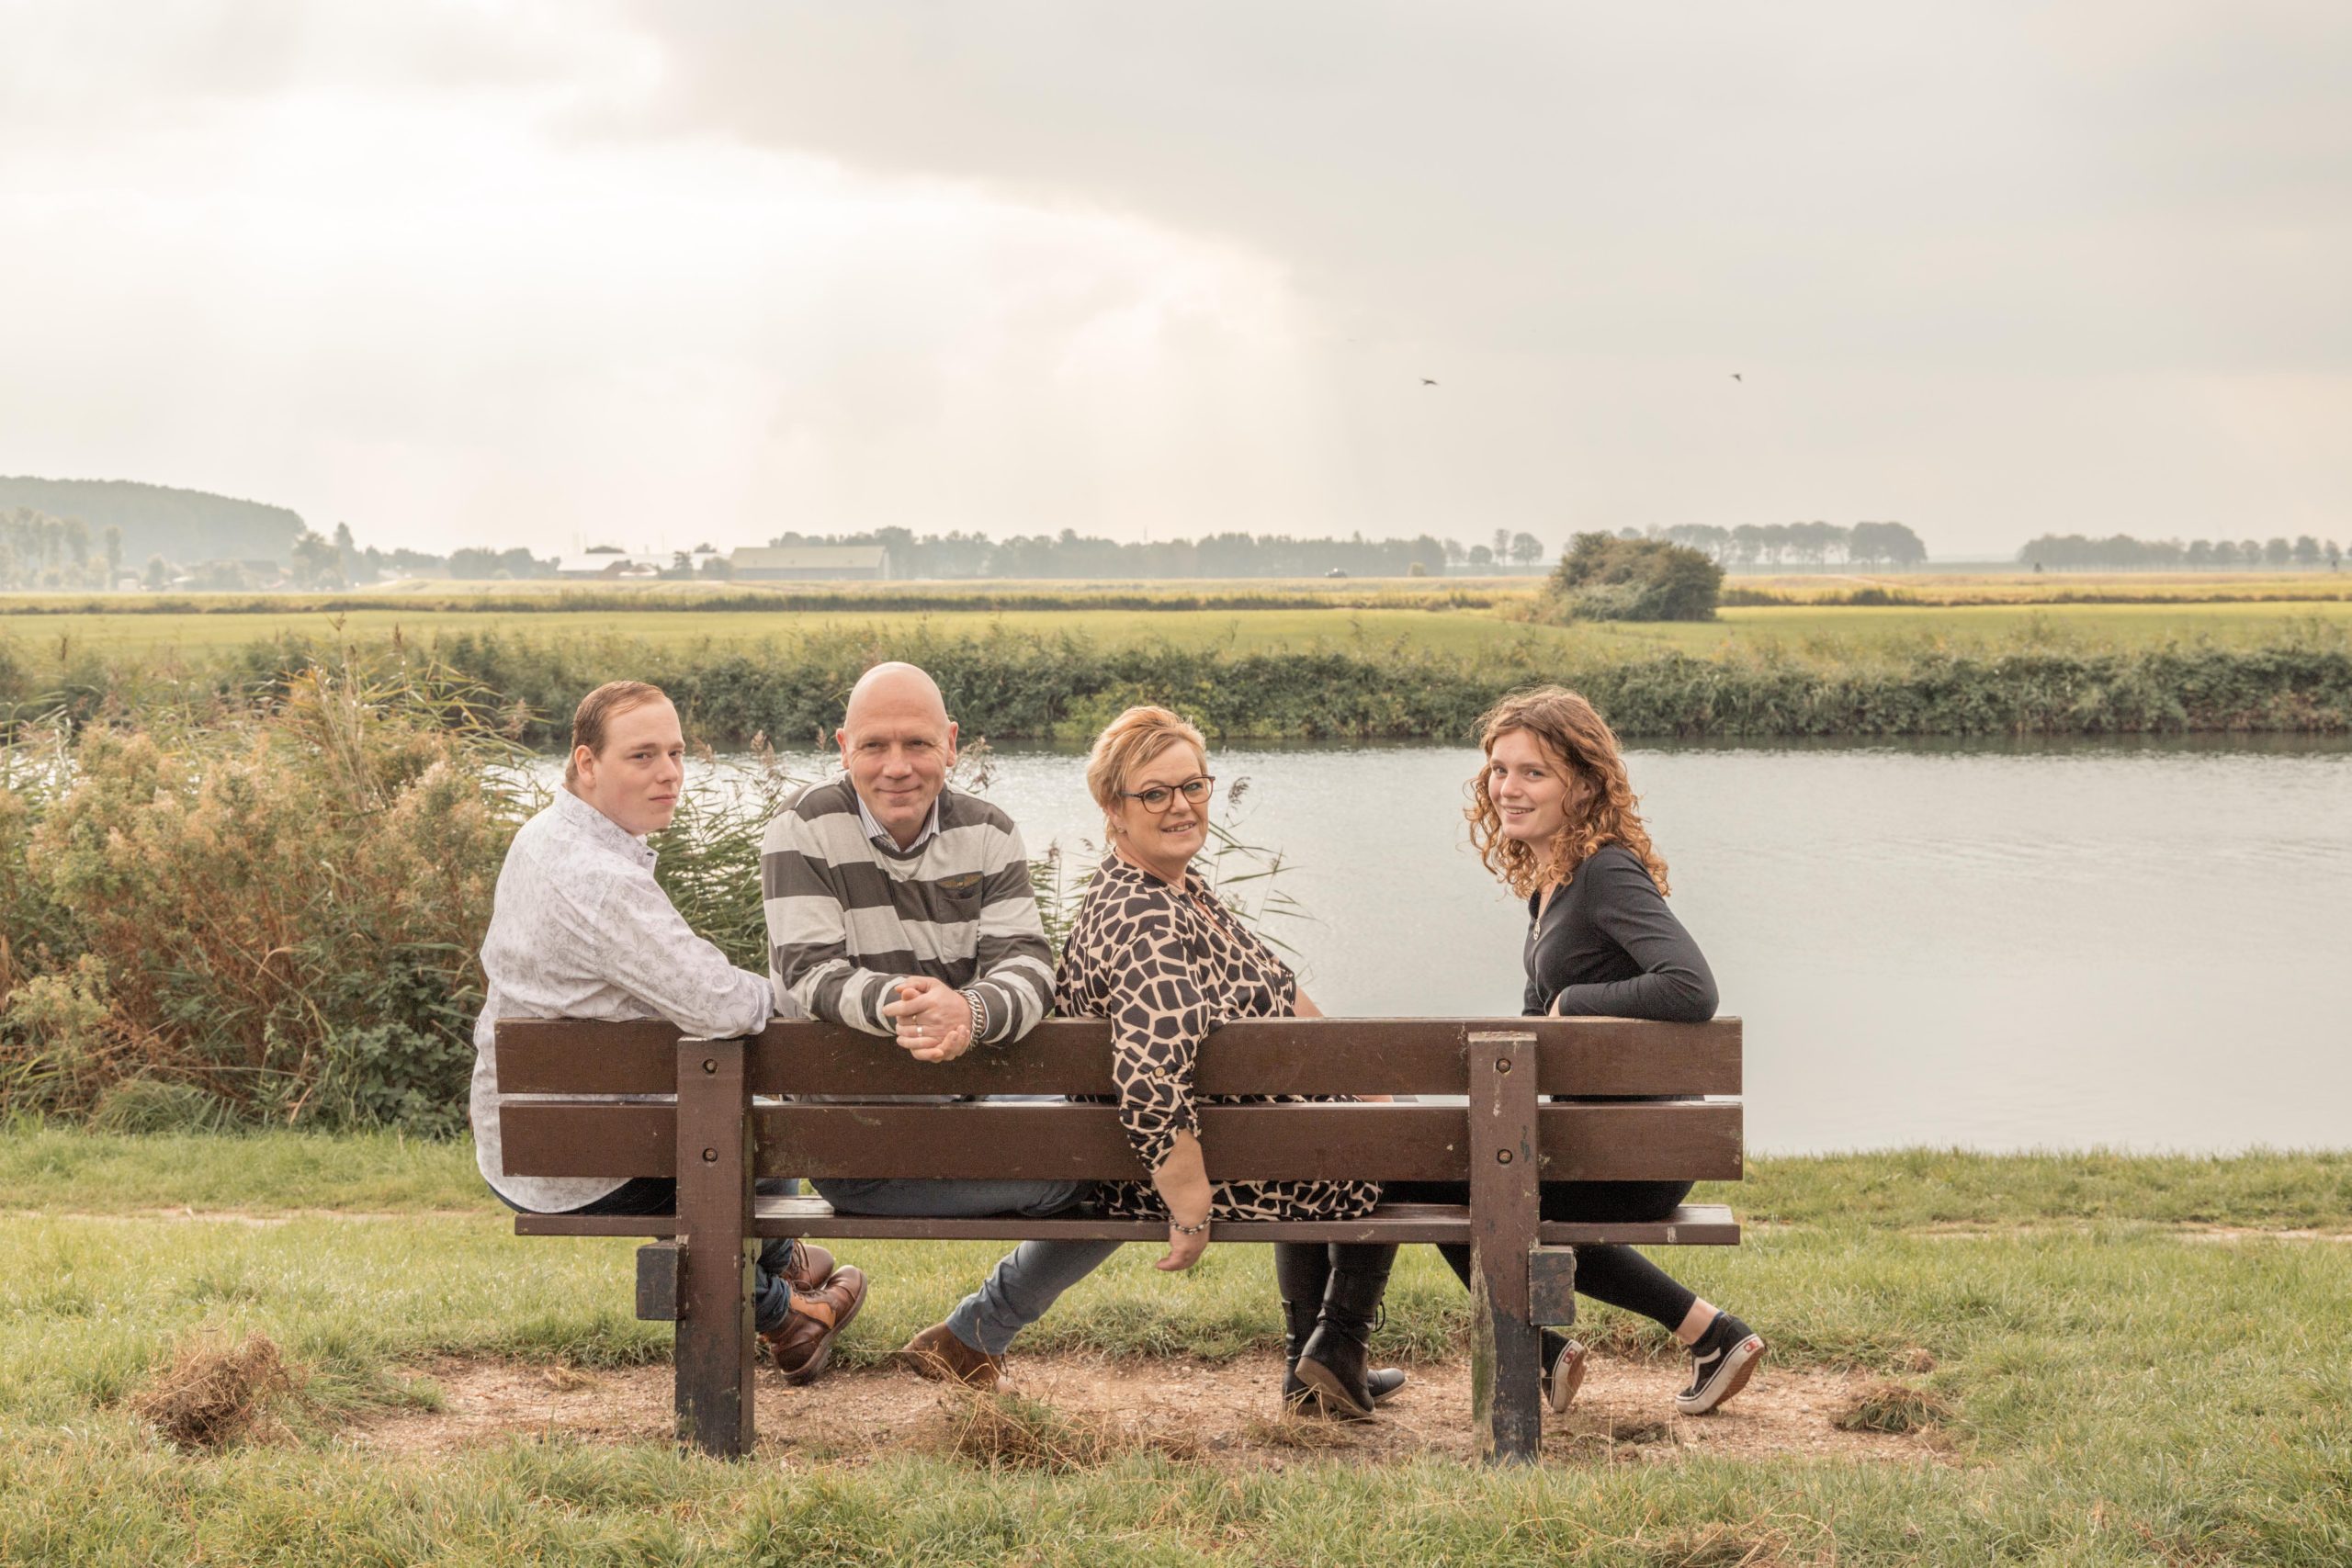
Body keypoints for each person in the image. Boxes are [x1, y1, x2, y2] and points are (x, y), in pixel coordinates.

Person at [470, 680, 866, 1385]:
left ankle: (783, 1266)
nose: (670, 773)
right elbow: (719, 1003)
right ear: (586, 763)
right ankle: (787, 1312)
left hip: (524, 1138)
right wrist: (812, 992)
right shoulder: (600, 881)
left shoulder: (541, 837)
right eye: (643, 755)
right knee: (754, 1133)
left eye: (677, 752)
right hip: (586, 1164)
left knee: (729, 1122)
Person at [1386, 686, 1765, 1416]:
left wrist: (1572, 1005)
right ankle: (1698, 1335)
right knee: (1452, 1176)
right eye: (1500, 769)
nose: (1508, 787)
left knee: (1439, 1185)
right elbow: (1537, 1034)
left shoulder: (1604, 873)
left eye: (1534, 772)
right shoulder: (1551, 887)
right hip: (1605, 1147)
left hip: (1634, 1155)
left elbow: (1691, 987)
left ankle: (1554, 1349)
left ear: (1584, 785)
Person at [762, 661, 1116, 1390]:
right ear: (842, 746)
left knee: (1113, 1146)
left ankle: (970, 1336)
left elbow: (1028, 965)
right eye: (875, 746)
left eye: (918, 744)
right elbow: (810, 975)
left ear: (951, 743)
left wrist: (972, 1011)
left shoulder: (987, 832)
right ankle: (977, 1332)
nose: (898, 766)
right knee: (1118, 1170)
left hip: (967, 1120)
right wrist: (912, 1004)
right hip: (859, 1154)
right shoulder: (801, 830)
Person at [1055, 705, 1405, 1420]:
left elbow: (1279, 987)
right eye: (1155, 792)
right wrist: (1188, 1205)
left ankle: (1314, 1363)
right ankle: (1335, 1344)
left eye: (1193, 785)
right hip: (1183, 1171)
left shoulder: (1174, 890)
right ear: (1113, 808)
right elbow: (1149, 1076)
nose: (1180, 805)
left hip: (1246, 1146)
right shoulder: (1147, 919)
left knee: (1368, 1133)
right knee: (1405, 1153)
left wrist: (1358, 1086)